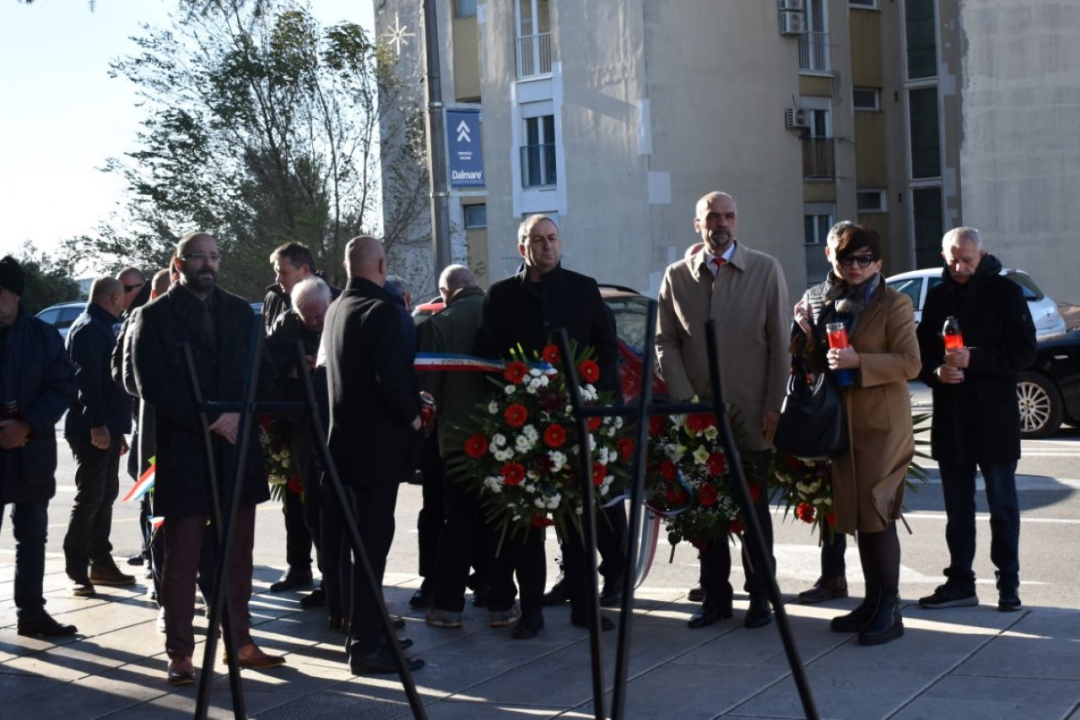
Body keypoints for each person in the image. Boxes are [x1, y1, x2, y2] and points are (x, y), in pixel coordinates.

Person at [130, 233, 284, 685]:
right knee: (182, 560)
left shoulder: (240, 312)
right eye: (199, 257)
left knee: (238, 555)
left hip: (236, 451)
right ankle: (179, 652)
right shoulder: (153, 316)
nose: (208, 265)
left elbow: (265, 373)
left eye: (214, 256)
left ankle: (241, 641)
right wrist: (210, 419)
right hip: (185, 452)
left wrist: (239, 412)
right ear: (179, 263)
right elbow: (149, 383)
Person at [475, 214, 620, 640]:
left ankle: (585, 605)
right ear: (523, 248)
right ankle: (532, 609)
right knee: (526, 523)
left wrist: (595, 394)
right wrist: (507, 395)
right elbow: (486, 355)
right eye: (537, 240)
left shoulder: (583, 288)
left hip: (576, 421)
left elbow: (607, 346)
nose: (546, 246)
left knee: (577, 523)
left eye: (552, 238)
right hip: (522, 424)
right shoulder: (501, 295)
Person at [656, 191, 789, 630]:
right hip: (698, 421)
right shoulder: (677, 277)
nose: (721, 223)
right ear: (698, 224)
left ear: (738, 221)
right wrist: (685, 401)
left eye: (729, 215)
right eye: (712, 216)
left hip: (751, 415)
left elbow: (779, 344)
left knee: (752, 512)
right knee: (705, 508)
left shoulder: (765, 270)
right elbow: (666, 341)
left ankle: (761, 597)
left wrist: (774, 404)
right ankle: (714, 596)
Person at [793, 224, 921, 646]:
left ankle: (891, 608)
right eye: (848, 259)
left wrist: (858, 359)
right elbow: (824, 364)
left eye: (864, 259)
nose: (855, 266)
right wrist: (808, 336)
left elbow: (909, 363)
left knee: (877, 514)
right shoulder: (832, 302)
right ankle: (872, 601)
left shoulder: (894, 303)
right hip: (845, 424)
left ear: (879, 264)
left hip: (882, 426)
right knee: (860, 519)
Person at [916, 227, 1035, 612]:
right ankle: (960, 583)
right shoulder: (937, 296)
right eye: (952, 258)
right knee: (957, 510)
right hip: (951, 417)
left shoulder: (1006, 292)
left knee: (1002, 506)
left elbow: (1023, 351)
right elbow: (919, 353)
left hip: (994, 416)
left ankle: (1008, 584)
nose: (959, 266)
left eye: (966, 259)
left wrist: (975, 359)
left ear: (982, 255)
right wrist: (937, 372)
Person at [323, 235, 425, 674]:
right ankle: (366, 644)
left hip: (346, 446)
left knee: (360, 547)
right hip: (378, 449)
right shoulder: (383, 310)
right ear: (382, 264)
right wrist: (414, 416)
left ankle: (366, 628)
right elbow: (392, 379)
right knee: (371, 548)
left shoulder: (336, 307)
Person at [0, 256, 79, 637]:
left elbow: (63, 385)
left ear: (13, 294)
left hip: (32, 452)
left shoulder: (43, 335)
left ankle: (31, 614)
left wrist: (27, 424)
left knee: (31, 535)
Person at [422, 265, 492, 628]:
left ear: (446, 292)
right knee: (499, 521)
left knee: (459, 520)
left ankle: (449, 605)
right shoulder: (497, 311)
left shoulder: (442, 322)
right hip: (503, 434)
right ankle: (501, 602)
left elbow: (429, 388)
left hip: (459, 440)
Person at [792, 221, 855, 605]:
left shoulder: (872, 294)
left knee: (868, 500)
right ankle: (833, 576)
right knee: (826, 495)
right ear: (828, 254)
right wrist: (802, 333)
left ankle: (884, 586)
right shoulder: (813, 295)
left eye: (853, 254)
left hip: (863, 405)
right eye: (837, 251)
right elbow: (800, 354)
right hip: (824, 405)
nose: (845, 260)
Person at [63, 278, 136, 597]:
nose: (125, 304)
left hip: (106, 426)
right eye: (122, 298)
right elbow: (87, 382)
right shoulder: (90, 327)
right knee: (90, 497)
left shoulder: (102, 324)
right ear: (114, 297)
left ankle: (101, 561)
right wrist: (98, 424)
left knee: (104, 496)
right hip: (90, 428)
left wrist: (117, 430)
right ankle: (78, 567)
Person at [265, 276, 333, 611]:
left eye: (321, 315)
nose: (317, 323)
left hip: (340, 423)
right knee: (313, 506)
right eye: (310, 318)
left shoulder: (341, 315)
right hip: (304, 424)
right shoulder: (286, 327)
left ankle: (346, 579)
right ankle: (326, 577)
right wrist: (294, 369)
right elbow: (267, 366)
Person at [263, 242, 319, 594]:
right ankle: (298, 566)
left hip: (321, 416)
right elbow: (268, 356)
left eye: (283, 272)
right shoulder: (274, 299)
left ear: (304, 271)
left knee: (320, 498)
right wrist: (293, 369)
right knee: (292, 496)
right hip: (287, 415)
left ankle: (335, 575)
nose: (278, 279)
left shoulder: (331, 298)